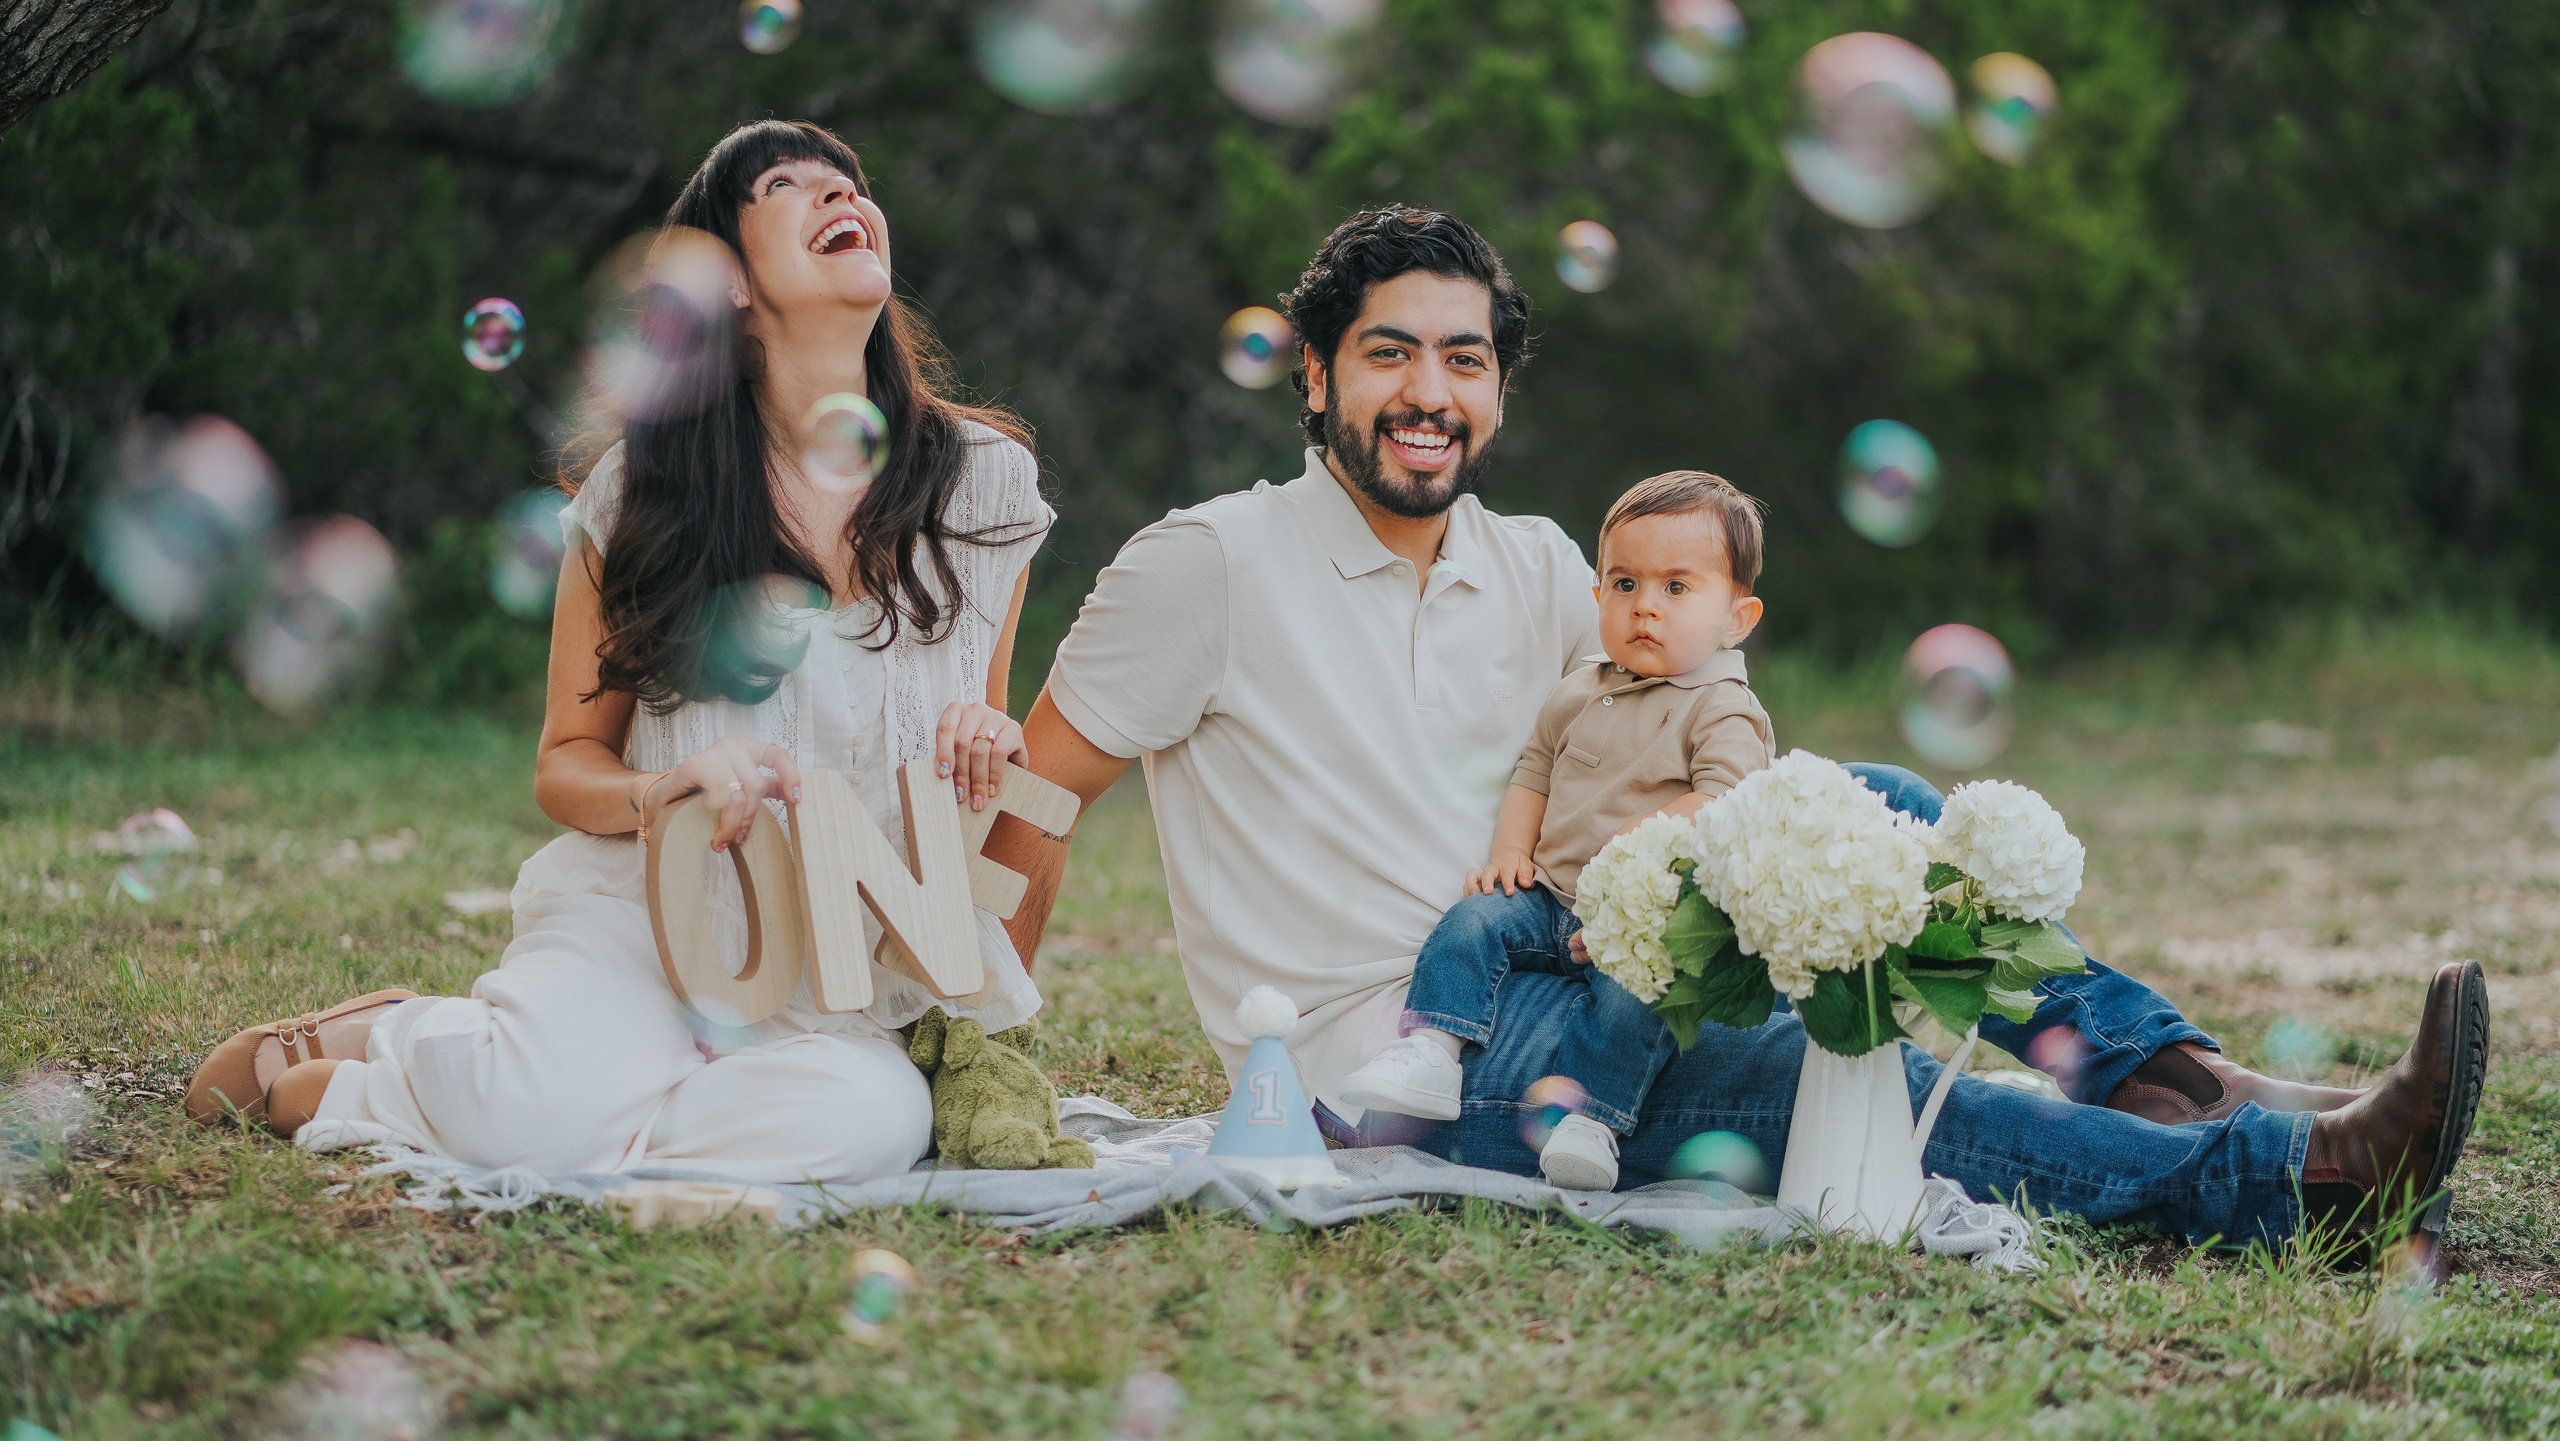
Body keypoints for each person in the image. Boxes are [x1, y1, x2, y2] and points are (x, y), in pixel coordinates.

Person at [992, 205, 2488, 1245]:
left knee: (1884, 798)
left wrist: (1742, 835)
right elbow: (1039, 808)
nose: (1427, 392)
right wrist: (973, 1052)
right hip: (1416, 1050)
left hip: (1591, 955)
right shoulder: (1208, 562)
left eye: (1463, 358)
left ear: (1499, 389)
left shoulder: (1533, 565)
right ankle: (2291, 1181)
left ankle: (2183, 1076)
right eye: (1388, 352)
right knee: (1834, 1082)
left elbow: (1689, 722)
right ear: (1314, 375)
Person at [185, 120, 1053, 1185]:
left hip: (829, 975)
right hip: (646, 923)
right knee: (545, 1119)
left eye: (849, 184)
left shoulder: (988, 485)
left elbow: (984, 737)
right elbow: (566, 764)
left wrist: (989, 738)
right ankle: (406, 1047)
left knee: (872, 1126)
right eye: (788, 184)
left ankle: (541, 1100)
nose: (840, 196)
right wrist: (662, 794)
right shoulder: (646, 496)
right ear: (728, 282)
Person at [1341, 470, 1775, 1192]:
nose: (1645, 608)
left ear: (1737, 616)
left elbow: (1728, 801)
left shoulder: (1722, 705)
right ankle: (1433, 1047)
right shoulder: (1582, 688)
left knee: (1638, 997)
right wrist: (1511, 850)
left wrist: (1632, 867)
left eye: (1677, 588)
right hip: (1549, 895)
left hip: (1644, 920)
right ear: (1598, 594)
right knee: (1473, 921)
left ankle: (1593, 1120)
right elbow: (1534, 770)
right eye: (1625, 584)